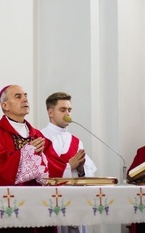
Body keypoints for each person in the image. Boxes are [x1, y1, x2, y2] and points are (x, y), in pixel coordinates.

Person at [41, 92, 96, 233]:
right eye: (63, 110)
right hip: (49, 202)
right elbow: (40, 170)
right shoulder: (40, 137)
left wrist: (81, 170)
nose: (68, 114)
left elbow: (88, 174)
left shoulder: (76, 141)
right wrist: (69, 167)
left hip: (74, 201)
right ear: (50, 112)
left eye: (69, 110)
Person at [0, 85, 49, 186]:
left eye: (25, 96)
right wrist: (27, 152)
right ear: (5, 106)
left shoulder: (37, 135)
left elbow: (51, 169)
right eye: (18, 97)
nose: (25, 99)